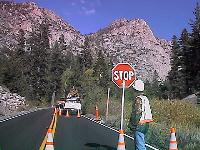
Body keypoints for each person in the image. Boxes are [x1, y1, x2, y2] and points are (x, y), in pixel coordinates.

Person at [128, 79, 153, 150]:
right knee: (141, 142)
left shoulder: (138, 99)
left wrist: (132, 125)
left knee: (139, 145)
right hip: (146, 123)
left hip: (140, 124)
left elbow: (137, 113)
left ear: (135, 90)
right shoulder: (145, 98)